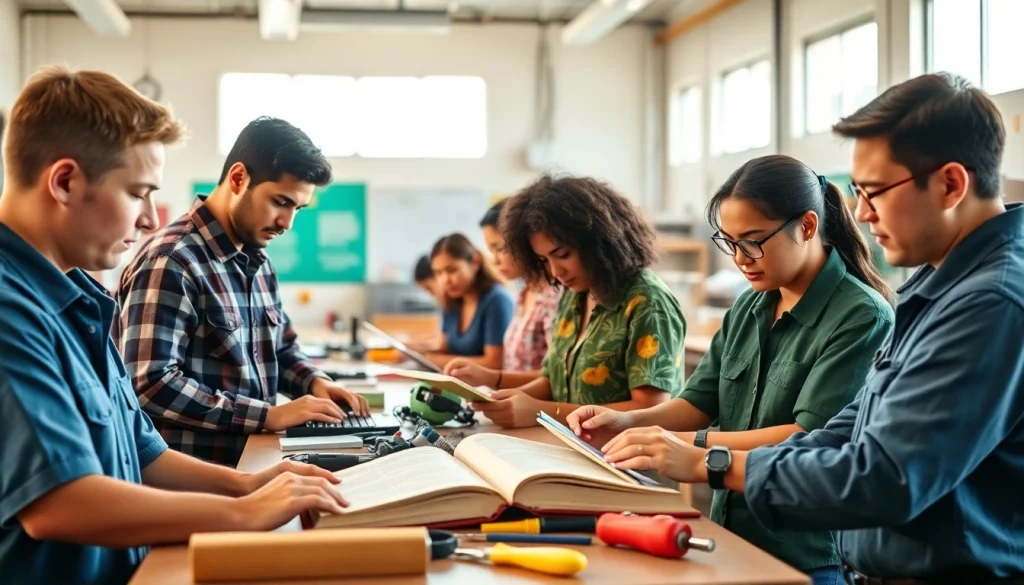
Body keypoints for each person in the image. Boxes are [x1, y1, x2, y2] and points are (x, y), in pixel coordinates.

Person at [586, 73, 1024, 584]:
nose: (861, 212)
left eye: (876, 191)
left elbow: (886, 478)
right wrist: (682, 442)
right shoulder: (937, 288)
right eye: (857, 192)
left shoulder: (989, 302)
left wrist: (711, 461)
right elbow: (847, 429)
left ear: (950, 183)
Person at [0, 66, 347, 585]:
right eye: (139, 192)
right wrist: (244, 513)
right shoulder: (12, 311)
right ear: (65, 182)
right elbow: (58, 503)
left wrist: (249, 485)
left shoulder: (81, 301)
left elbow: (143, 453)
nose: (149, 219)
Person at [567, 154, 895, 585]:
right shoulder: (751, 305)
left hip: (806, 551)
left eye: (753, 240)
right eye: (730, 241)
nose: (740, 258)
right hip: (732, 530)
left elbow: (811, 437)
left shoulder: (861, 316)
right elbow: (698, 401)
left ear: (808, 226)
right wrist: (627, 420)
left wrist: (685, 446)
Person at [113, 116, 369, 467]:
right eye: (281, 202)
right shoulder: (172, 260)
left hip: (249, 462)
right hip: (192, 481)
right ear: (238, 178)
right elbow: (150, 384)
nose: (288, 223)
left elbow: (281, 347)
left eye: (297, 208)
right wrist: (267, 416)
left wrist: (314, 382)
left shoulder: (259, 262)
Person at [471, 175, 685, 429]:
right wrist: (509, 399)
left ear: (599, 241)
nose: (555, 271)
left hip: (624, 459)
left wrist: (540, 411)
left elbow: (650, 409)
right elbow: (553, 381)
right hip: (571, 446)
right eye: (543, 260)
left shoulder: (647, 300)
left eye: (562, 255)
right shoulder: (574, 293)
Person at [444, 199, 562, 386]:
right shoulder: (524, 293)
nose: (494, 260)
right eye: (491, 250)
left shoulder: (553, 296)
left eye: (499, 248)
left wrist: (490, 378)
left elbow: (557, 377)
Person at [419, 232, 515, 369]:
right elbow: (443, 348)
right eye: (438, 273)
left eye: (452, 270)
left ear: (475, 263)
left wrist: (437, 360)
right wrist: (416, 352)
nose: (445, 280)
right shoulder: (451, 301)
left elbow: (494, 362)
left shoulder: (497, 300)